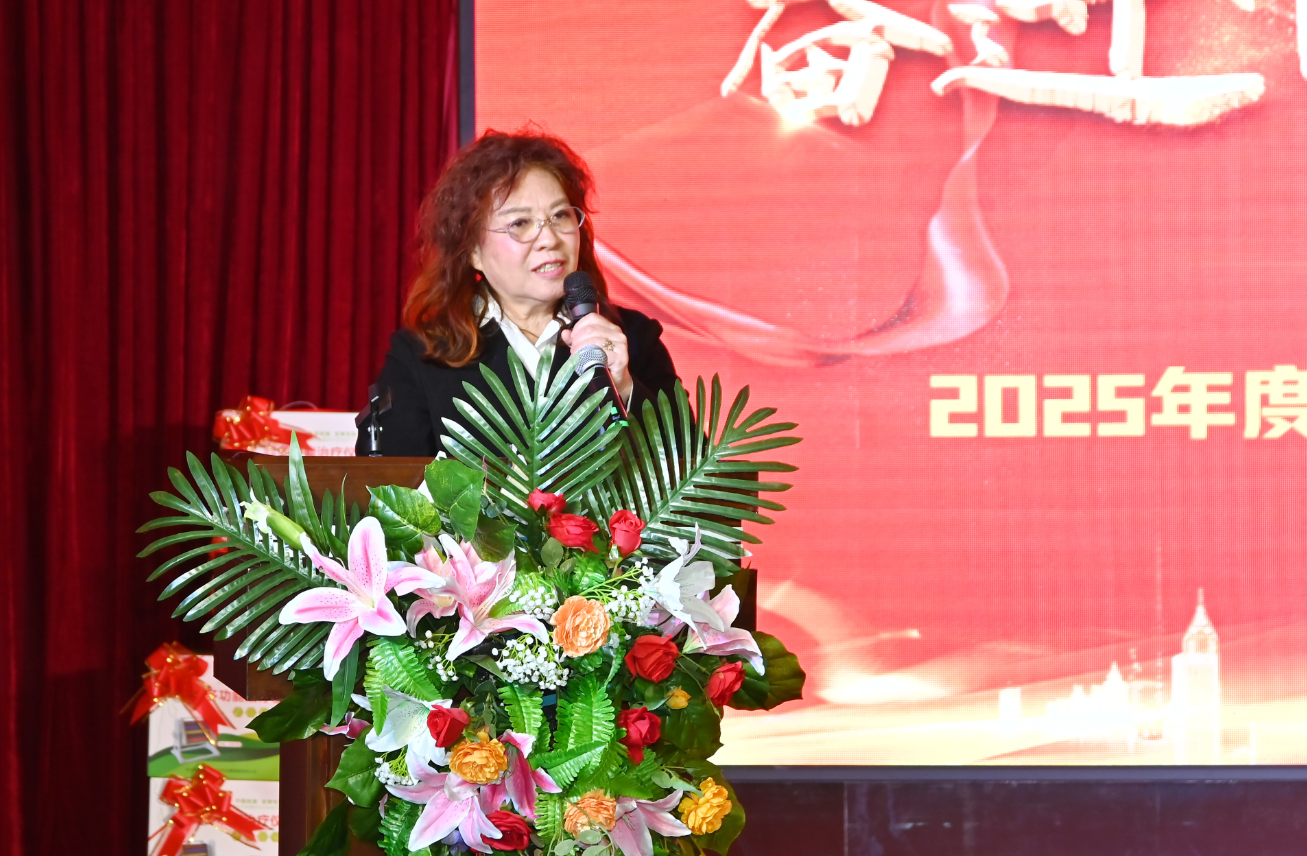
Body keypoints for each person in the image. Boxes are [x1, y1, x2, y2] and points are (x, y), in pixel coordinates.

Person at [359, 129, 680, 457]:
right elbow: (386, 483)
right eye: (520, 223)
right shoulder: (421, 356)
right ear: (472, 251)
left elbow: (695, 471)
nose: (549, 239)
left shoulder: (633, 338)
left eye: (560, 216)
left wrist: (624, 387)